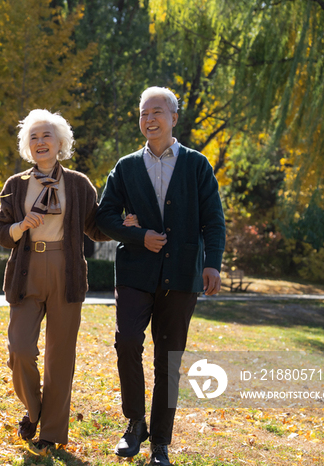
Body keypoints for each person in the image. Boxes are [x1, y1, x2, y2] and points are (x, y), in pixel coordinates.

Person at [95, 87, 226, 465]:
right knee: (128, 342)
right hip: (135, 272)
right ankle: (135, 424)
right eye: (142, 113)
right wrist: (138, 236)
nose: (148, 119)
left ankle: (160, 444)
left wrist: (212, 263)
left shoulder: (197, 165)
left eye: (156, 112)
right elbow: (104, 216)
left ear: (173, 118)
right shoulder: (126, 166)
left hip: (182, 277)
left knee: (168, 359)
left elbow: (213, 221)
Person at [0, 109, 110, 451]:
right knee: (20, 349)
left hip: (67, 271)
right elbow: (0, 232)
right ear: (27, 147)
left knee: (61, 357)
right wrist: (21, 225)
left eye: (46, 136)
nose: (40, 142)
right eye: (34, 137)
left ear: (60, 143)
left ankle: (51, 434)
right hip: (27, 270)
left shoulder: (78, 183)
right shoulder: (16, 185)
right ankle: (34, 410)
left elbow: (95, 226)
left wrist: (124, 225)